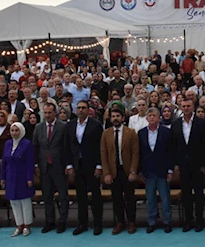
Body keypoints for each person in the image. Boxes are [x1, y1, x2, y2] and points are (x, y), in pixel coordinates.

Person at [170, 98, 205, 232]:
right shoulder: (175, 124)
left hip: (198, 164)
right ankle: (188, 221)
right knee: (186, 194)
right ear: (181, 108)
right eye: (184, 106)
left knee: (199, 194)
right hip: (182, 165)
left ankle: (199, 220)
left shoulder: (201, 123)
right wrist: (175, 164)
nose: (186, 108)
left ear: (193, 107)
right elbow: (174, 146)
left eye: (189, 106)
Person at [64, 100, 104, 235]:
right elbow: (68, 146)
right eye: (79, 108)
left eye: (83, 108)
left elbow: (100, 147)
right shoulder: (70, 125)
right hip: (77, 165)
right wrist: (69, 164)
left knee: (95, 195)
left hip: (92, 165)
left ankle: (98, 224)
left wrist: (99, 165)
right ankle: (83, 224)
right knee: (80, 196)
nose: (81, 110)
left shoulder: (96, 125)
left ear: (88, 110)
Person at [100, 106, 139, 234]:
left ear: (123, 118)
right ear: (110, 119)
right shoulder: (106, 133)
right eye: (113, 117)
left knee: (130, 198)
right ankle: (120, 222)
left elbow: (135, 153)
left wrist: (133, 171)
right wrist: (106, 173)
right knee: (116, 198)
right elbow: (104, 154)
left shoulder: (131, 132)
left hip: (127, 170)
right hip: (113, 171)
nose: (115, 119)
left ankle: (132, 222)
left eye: (118, 116)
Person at [32, 102, 69, 233]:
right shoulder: (38, 127)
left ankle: (63, 221)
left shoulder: (63, 127)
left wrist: (67, 165)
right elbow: (35, 147)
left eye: (49, 113)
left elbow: (67, 147)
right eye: (45, 113)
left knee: (63, 196)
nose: (47, 115)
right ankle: (50, 221)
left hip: (59, 165)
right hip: (44, 166)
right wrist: (36, 164)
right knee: (47, 196)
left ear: (55, 113)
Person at [138, 107, 173, 233]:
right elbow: (139, 153)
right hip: (148, 170)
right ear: (146, 118)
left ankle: (167, 221)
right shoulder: (141, 133)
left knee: (165, 198)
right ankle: (152, 221)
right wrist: (140, 171)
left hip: (162, 169)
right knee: (150, 198)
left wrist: (170, 170)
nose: (152, 117)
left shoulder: (166, 132)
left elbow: (170, 152)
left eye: (154, 115)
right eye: (150, 115)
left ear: (159, 118)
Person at [0, 122, 35, 237]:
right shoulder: (8, 144)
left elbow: (30, 163)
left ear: (21, 131)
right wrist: (2, 177)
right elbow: (4, 162)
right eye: (12, 131)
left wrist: (30, 178)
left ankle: (26, 225)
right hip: (10, 177)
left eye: (16, 130)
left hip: (22, 176)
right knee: (14, 202)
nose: (14, 133)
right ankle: (18, 225)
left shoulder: (27, 144)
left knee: (24, 201)